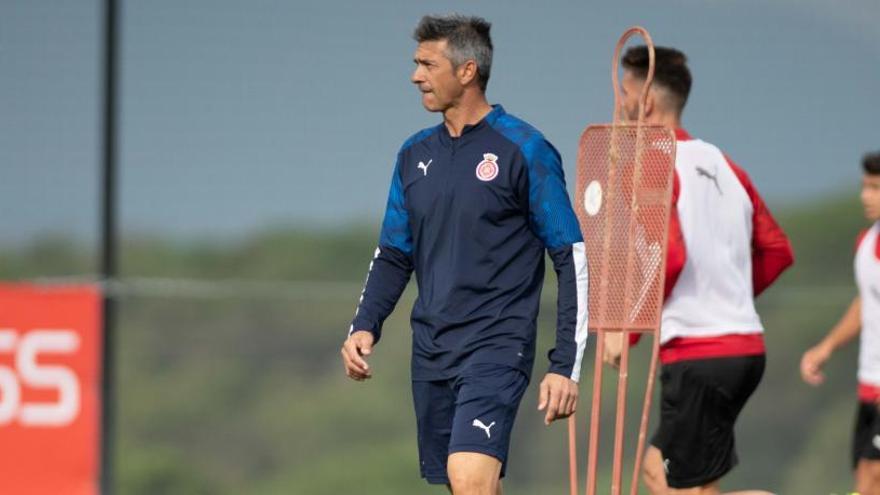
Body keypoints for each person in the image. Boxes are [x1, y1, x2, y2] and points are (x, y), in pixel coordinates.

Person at [339, 14, 589, 495]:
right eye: (416, 64)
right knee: (469, 486)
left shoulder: (526, 150)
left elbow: (570, 255)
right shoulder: (413, 156)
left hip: (496, 345)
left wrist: (564, 366)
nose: (416, 76)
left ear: (467, 70)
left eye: (428, 64)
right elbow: (393, 253)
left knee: (469, 480)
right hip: (431, 348)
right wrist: (365, 324)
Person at [604, 45, 793, 495]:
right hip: (742, 349)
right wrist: (728, 299)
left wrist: (625, 329)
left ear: (645, 100)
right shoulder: (726, 165)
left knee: (686, 485)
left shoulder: (651, 161)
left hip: (701, 355)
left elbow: (667, 257)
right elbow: (777, 251)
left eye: (624, 92)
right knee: (657, 470)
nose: (619, 103)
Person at [801, 152, 880, 495]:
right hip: (869, 382)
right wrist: (827, 346)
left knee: (871, 476)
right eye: (864, 186)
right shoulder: (866, 242)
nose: (866, 196)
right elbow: (866, 301)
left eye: (875, 188)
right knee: (864, 478)